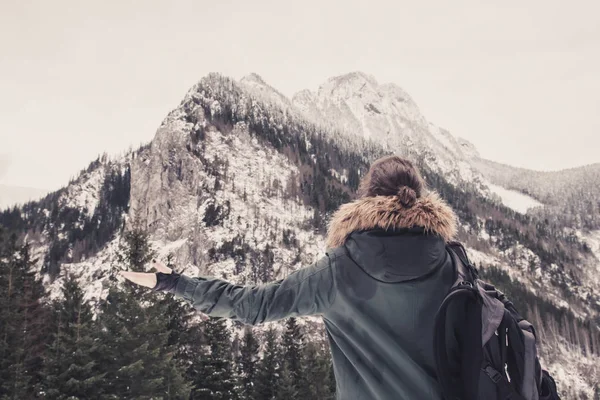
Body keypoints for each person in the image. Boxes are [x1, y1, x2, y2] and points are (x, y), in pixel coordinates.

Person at [121, 155, 459, 400]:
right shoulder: (452, 261)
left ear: (365, 200)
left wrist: (175, 282)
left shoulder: (337, 272)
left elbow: (254, 305)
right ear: (420, 199)